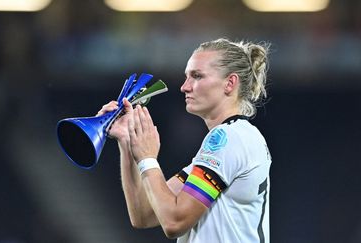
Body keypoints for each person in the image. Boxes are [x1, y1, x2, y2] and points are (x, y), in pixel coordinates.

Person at [97, 38, 272, 242]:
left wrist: (148, 158)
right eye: (186, 77)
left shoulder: (228, 138)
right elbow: (144, 214)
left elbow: (174, 222)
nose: (184, 87)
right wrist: (127, 143)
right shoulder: (234, 139)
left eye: (197, 76)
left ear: (230, 83)